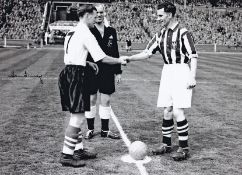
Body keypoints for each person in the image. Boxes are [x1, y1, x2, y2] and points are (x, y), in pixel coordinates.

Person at [123, 1, 198, 161]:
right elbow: (147, 52)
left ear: (170, 15)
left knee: (178, 111)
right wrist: (130, 58)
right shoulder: (160, 34)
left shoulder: (184, 33)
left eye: (160, 15)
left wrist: (192, 75)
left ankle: (184, 148)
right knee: (167, 110)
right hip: (167, 71)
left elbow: (193, 55)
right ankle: (166, 144)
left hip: (181, 70)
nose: (158, 18)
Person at [58, 4, 126, 168]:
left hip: (68, 72)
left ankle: (78, 149)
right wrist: (119, 60)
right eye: (94, 15)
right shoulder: (86, 33)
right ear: (87, 15)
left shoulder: (72, 32)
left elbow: (69, 55)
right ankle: (66, 155)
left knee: (77, 113)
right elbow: (101, 57)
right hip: (76, 75)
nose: (96, 18)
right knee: (78, 117)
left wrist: (86, 62)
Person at [84, 4, 121, 140]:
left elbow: (115, 51)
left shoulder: (111, 31)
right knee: (91, 99)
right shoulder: (88, 30)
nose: (99, 15)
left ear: (104, 13)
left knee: (106, 99)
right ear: (93, 14)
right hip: (91, 70)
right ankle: (90, 129)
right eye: (97, 13)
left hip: (108, 70)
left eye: (101, 12)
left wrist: (118, 71)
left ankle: (105, 130)